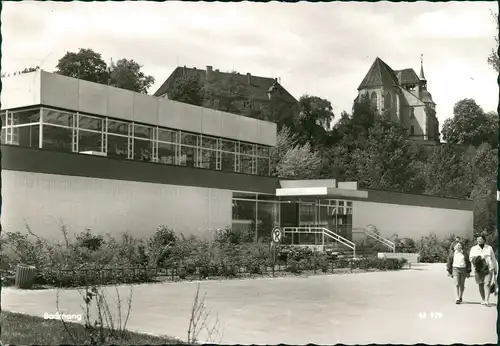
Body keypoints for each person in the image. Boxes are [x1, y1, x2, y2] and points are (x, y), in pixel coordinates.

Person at [469, 234, 498, 306]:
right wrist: (480, 258)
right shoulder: (473, 248)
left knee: (487, 284)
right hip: (478, 269)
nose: (479, 240)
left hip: (489, 268)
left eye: (480, 239)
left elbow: (493, 259)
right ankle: (483, 299)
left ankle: (487, 300)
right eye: (478, 239)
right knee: (481, 284)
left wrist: (495, 269)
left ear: (484, 240)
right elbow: (471, 258)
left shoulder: (489, 248)